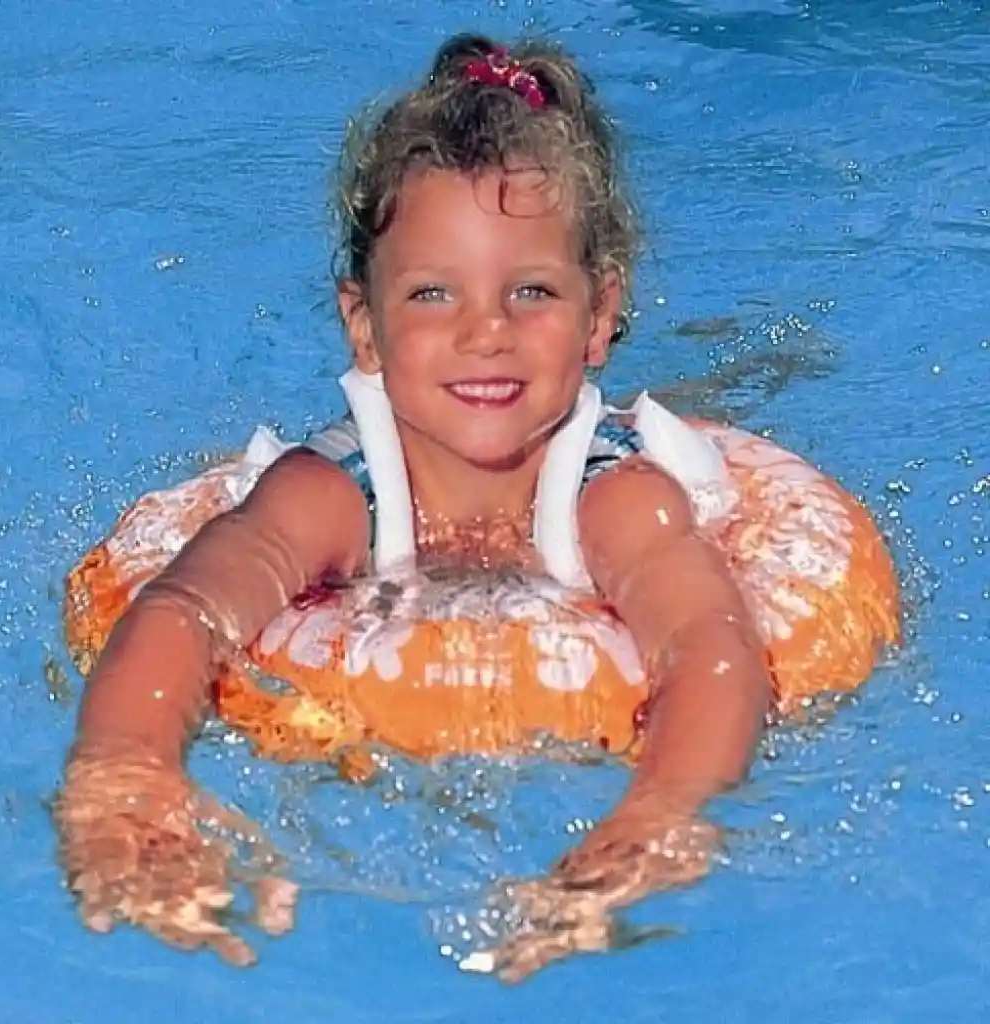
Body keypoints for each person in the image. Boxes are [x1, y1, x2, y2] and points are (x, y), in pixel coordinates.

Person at [55, 33, 772, 981]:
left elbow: (712, 648)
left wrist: (658, 816)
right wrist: (126, 780)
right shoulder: (330, 493)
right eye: (433, 293)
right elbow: (184, 609)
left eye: (531, 292)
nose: (486, 333)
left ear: (598, 318)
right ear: (364, 324)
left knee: (725, 398)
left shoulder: (618, 497)